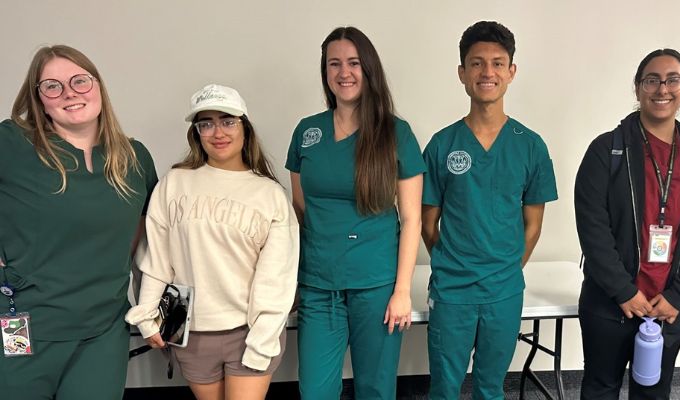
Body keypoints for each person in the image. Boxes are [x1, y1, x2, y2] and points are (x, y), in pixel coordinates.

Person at [0, 45, 158, 399]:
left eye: (80, 81)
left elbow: (143, 239)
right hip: (22, 324)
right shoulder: (12, 143)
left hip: (101, 331)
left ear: (98, 86)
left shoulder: (134, 158)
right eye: (52, 86)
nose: (69, 92)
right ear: (39, 99)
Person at [125, 84, 298, 400]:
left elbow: (277, 278)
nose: (218, 131)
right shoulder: (175, 183)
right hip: (193, 333)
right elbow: (156, 258)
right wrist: (146, 315)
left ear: (245, 126)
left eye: (227, 120)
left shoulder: (269, 194)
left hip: (249, 332)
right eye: (206, 123)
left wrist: (261, 341)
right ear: (196, 132)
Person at [574, 49, 680, 399]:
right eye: (652, 80)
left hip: (669, 305)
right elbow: (593, 229)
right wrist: (623, 290)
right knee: (600, 387)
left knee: (653, 389)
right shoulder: (606, 150)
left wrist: (679, 294)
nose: (662, 89)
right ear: (637, 87)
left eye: (673, 79)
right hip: (610, 302)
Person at [421, 21, 558, 400]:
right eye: (477, 63)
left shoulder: (530, 145)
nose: (488, 72)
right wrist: (453, 263)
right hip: (452, 291)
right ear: (462, 73)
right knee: (444, 388)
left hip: (504, 289)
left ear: (512, 72)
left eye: (498, 63)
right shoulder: (442, 144)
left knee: (490, 387)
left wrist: (506, 268)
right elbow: (427, 222)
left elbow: (533, 225)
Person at [286, 26, 424, 399]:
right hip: (319, 285)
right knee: (315, 390)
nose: (343, 73)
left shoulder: (397, 133)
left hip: (377, 287)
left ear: (369, 69)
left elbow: (412, 219)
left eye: (353, 63)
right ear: (325, 71)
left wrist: (401, 291)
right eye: (334, 64)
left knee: (376, 389)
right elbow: (302, 207)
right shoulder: (307, 132)